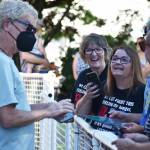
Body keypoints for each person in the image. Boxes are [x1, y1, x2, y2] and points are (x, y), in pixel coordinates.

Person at [0, 0, 74, 149]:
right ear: (7, 24)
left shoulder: (6, 60)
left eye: (33, 30)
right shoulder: (2, 62)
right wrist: (48, 112)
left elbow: (15, 110)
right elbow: (8, 118)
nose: (31, 35)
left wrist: (50, 106)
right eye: (28, 28)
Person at [112, 32, 150, 150]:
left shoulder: (142, 88)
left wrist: (135, 146)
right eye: (143, 45)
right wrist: (140, 130)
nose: (144, 50)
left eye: (145, 45)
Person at [71, 33, 111, 113]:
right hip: (82, 122)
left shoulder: (112, 75)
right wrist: (87, 97)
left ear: (105, 52)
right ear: (84, 54)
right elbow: (74, 106)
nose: (94, 54)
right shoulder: (83, 75)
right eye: (89, 50)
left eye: (98, 49)